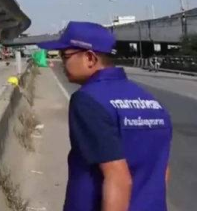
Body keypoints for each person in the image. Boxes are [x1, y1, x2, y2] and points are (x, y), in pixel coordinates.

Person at [38, 21, 172, 211]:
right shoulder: (152, 102)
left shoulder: (88, 100)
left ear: (90, 58)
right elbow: (162, 171)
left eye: (65, 55)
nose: (62, 63)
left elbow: (118, 176)